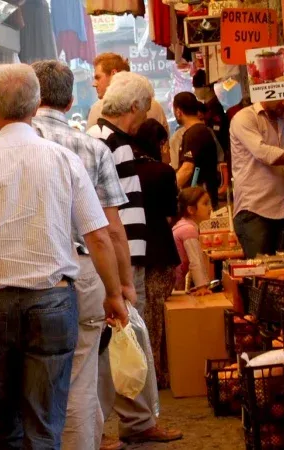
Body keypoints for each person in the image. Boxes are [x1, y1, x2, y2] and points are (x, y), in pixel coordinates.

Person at [0, 63, 129, 449]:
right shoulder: (64, 160)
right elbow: (100, 236)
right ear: (36, 103)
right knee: (45, 422)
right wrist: (114, 292)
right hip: (52, 302)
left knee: (3, 418)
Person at [88, 72, 183, 448]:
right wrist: (124, 275)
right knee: (126, 339)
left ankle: (132, 419)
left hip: (119, 260)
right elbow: (120, 219)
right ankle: (132, 422)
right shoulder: (117, 145)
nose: (146, 114)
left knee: (121, 340)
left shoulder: (100, 138)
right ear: (133, 107)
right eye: (145, 107)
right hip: (129, 260)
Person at [230, 100, 284, 258]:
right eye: (282, 98)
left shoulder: (283, 123)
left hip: (283, 211)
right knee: (260, 274)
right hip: (255, 211)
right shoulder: (244, 118)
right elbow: (263, 153)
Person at [133, 119, 181, 389]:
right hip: (160, 248)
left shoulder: (125, 170)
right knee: (157, 313)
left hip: (134, 250)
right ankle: (157, 373)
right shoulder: (163, 171)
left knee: (140, 313)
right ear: (160, 143)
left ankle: (144, 372)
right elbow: (170, 211)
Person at [87, 53, 169, 134]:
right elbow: (165, 144)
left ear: (114, 74)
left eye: (98, 78)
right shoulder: (155, 106)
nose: (94, 84)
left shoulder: (97, 109)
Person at [173, 92, 220, 208]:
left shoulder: (194, 134)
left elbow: (187, 169)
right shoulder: (201, 130)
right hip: (203, 200)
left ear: (178, 112)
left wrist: (168, 192)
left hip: (199, 202)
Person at [172, 187, 213, 294]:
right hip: (173, 282)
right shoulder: (188, 229)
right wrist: (201, 287)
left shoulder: (183, 225)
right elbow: (195, 261)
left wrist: (203, 285)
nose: (210, 207)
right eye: (205, 204)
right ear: (191, 209)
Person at [193, 70, 230, 167]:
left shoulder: (215, 108)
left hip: (221, 155)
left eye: (198, 87)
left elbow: (218, 135)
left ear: (207, 88)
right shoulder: (206, 106)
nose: (195, 91)